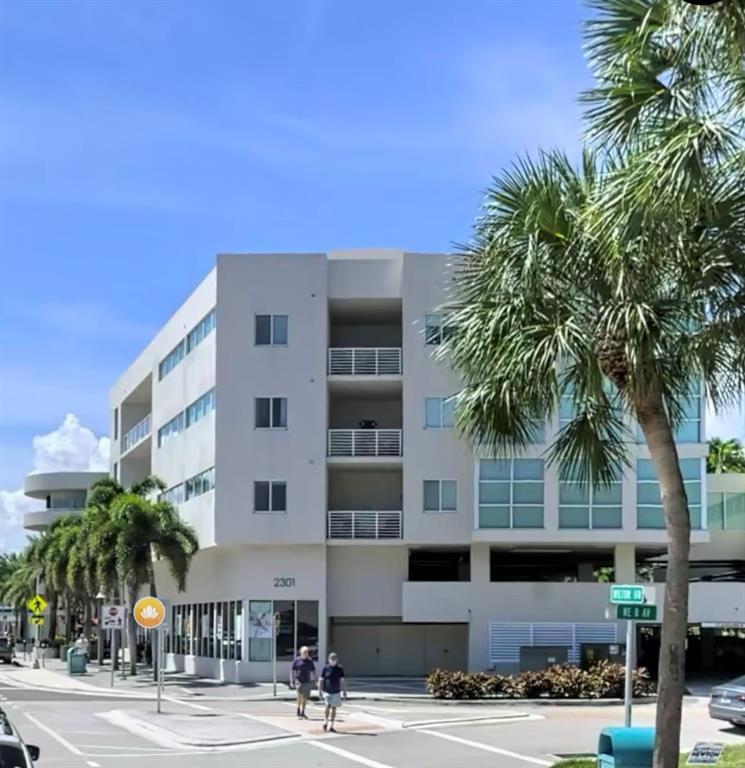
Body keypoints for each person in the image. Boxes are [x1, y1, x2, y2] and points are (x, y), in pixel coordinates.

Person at [318, 652, 346, 732]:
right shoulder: (325, 668)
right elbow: (321, 680)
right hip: (327, 691)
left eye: (335, 659)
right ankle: (325, 721)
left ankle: (332, 724)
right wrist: (319, 691)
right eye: (332, 659)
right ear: (329, 660)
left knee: (334, 708)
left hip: (336, 691)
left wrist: (344, 691)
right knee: (327, 706)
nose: (333, 661)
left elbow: (342, 681)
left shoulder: (339, 669)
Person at [290, 646, 316, 719]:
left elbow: (313, 671)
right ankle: (298, 709)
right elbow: (292, 671)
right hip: (298, 680)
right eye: (304, 652)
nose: (305, 653)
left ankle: (303, 712)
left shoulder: (310, 661)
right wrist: (291, 681)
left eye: (307, 652)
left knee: (304, 697)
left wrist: (315, 679)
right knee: (299, 695)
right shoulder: (297, 660)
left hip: (307, 680)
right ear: (301, 652)